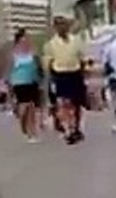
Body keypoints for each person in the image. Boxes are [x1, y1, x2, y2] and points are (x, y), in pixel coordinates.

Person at [44, 14, 86, 144]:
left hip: (75, 73)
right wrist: (50, 79)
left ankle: (77, 127)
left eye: (64, 24)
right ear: (55, 27)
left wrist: (84, 73)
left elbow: (82, 58)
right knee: (63, 103)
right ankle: (68, 129)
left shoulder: (76, 41)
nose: (62, 27)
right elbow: (48, 63)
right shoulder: (51, 44)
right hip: (60, 75)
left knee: (77, 103)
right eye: (59, 25)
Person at [7, 30, 42, 143]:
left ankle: (32, 132)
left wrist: (40, 79)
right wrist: (9, 85)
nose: (25, 42)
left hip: (32, 81)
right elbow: (9, 69)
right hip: (19, 82)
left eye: (27, 39)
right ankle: (23, 123)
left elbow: (38, 66)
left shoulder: (33, 52)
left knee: (32, 107)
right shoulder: (13, 54)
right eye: (23, 40)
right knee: (24, 105)